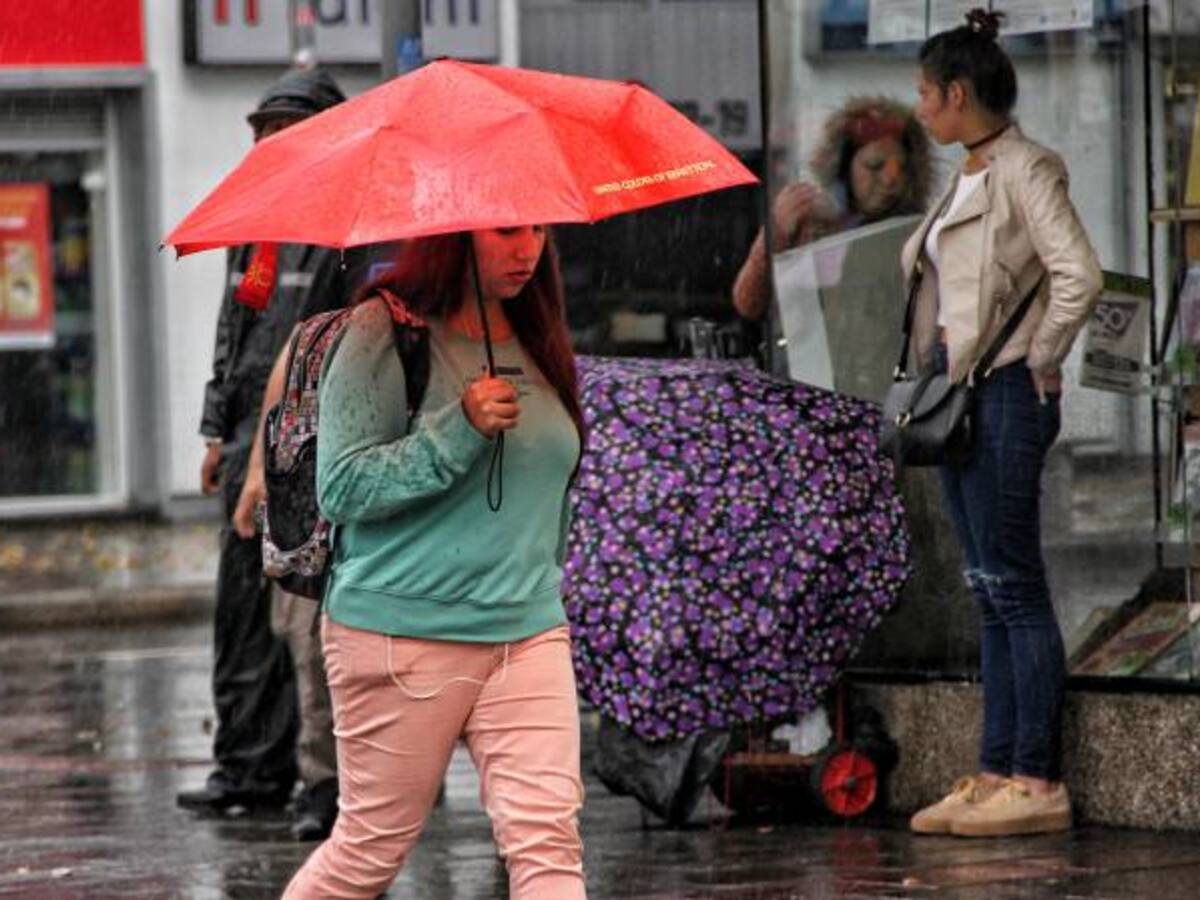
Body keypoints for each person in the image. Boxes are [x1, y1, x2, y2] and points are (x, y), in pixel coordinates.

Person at [283, 226, 587, 899]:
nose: (527, 247)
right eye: (507, 229)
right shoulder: (383, 330)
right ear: (457, 233)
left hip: (528, 630)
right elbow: (344, 487)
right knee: (369, 851)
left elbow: (550, 486)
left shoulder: (537, 333)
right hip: (402, 633)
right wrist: (459, 429)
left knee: (548, 844)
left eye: (539, 227)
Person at [902, 9, 1102, 838]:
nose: (919, 110)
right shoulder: (970, 174)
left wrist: (1040, 354)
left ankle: (1035, 777)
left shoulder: (1026, 169)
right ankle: (994, 771)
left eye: (924, 93)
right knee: (988, 589)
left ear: (957, 93)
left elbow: (1078, 275)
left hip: (1009, 394)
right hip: (962, 398)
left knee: (1013, 587)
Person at [179, 68, 351, 842]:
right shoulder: (255, 226)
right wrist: (219, 429)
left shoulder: (343, 230)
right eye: (261, 130)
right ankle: (248, 765)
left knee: (303, 617)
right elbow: (234, 330)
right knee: (242, 612)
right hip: (251, 436)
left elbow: (318, 345)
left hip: (308, 446)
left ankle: (319, 774)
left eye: (281, 130)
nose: (265, 144)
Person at [732, 95, 931, 322]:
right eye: (874, 166)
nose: (889, 180)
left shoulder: (915, 234)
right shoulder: (808, 218)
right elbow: (748, 302)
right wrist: (777, 232)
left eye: (901, 169)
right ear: (844, 169)